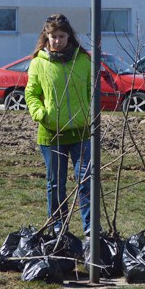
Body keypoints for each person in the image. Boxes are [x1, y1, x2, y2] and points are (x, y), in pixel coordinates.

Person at [25, 14, 92, 235]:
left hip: (81, 133)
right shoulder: (38, 63)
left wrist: (89, 113)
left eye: (61, 36)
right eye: (53, 36)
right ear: (46, 36)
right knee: (56, 184)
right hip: (51, 133)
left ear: (69, 36)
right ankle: (58, 228)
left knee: (86, 181)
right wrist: (41, 114)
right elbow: (31, 94)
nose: (57, 41)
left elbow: (91, 90)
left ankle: (91, 229)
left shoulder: (83, 61)